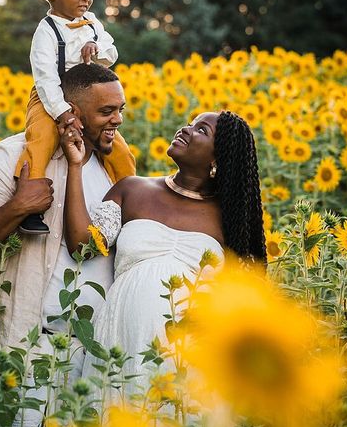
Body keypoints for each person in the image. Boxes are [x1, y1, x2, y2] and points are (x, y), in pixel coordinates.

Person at [0, 64, 134, 427]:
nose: (117, 121)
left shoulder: (113, 168)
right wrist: (18, 206)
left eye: (120, 109)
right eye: (106, 111)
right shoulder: (12, 156)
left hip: (96, 349)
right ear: (72, 112)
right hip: (29, 347)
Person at [64, 110, 266, 399]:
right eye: (191, 123)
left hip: (191, 357)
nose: (185, 129)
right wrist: (74, 166)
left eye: (201, 130)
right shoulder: (133, 189)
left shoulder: (231, 220)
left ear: (216, 160)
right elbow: (82, 246)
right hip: (120, 339)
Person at [16, 0, 133, 234]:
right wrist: (63, 113)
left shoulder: (92, 23)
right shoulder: (46, 31)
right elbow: (45, 79)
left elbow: (111, 52)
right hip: (50, 98)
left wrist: (98, 48)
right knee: (41, 140)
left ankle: (132, 202)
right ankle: (28, 206)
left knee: (118, 149)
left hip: (88, 98)